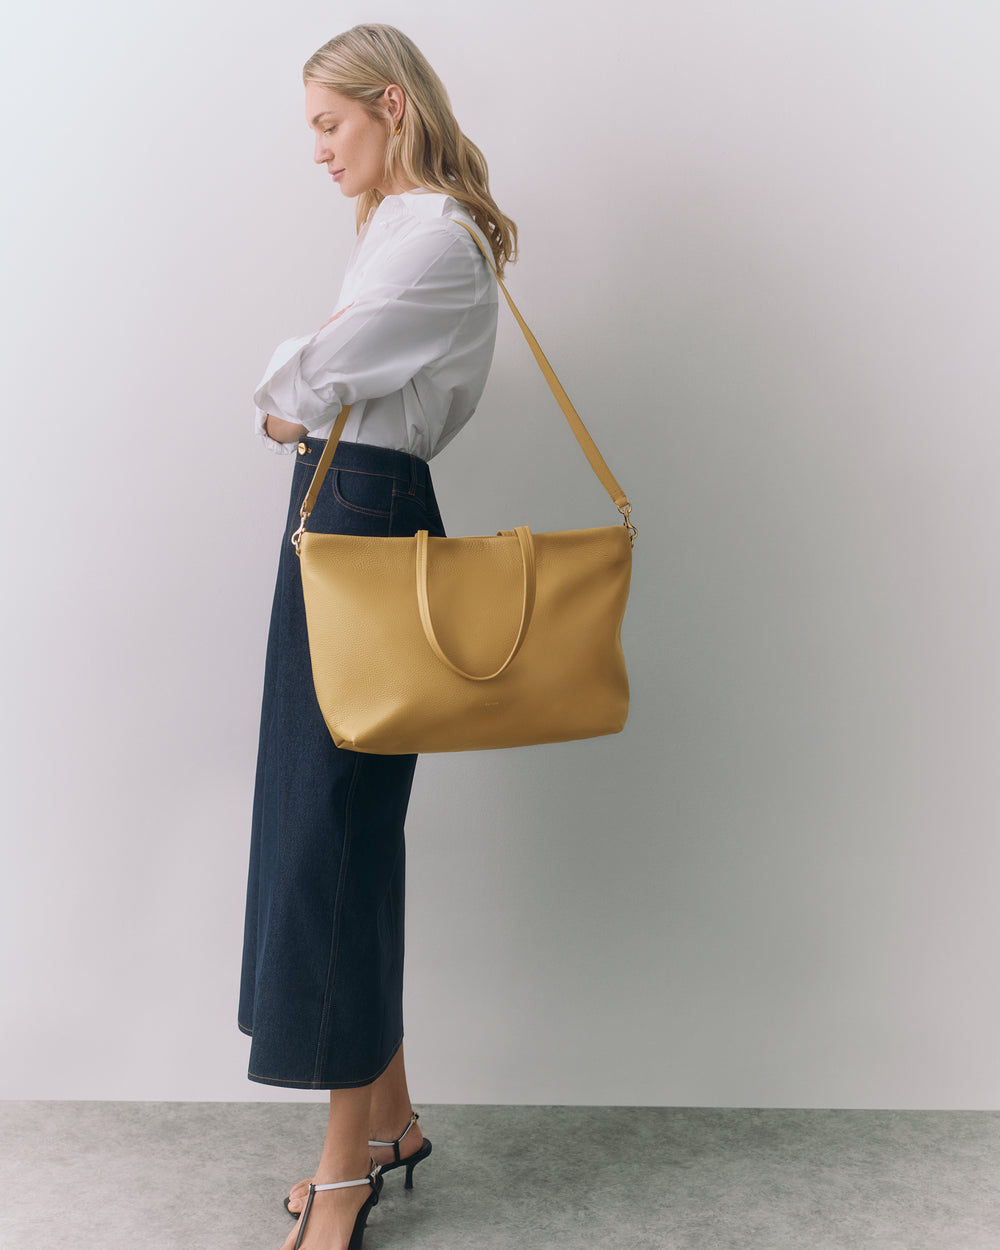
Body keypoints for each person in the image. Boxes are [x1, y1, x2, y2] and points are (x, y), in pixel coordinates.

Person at [238, 23, 516, 1250]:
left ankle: (345, 1169)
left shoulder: (439, 238)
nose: (317, 151)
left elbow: (325, 371)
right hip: (337, 509)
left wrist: (285, 390)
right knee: (328, 823)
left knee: (334, 838)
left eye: (329, 125)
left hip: (363, 508)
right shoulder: (403, 230)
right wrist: (303, 398)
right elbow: (332, 380)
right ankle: (390, 1115)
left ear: (390, 106)